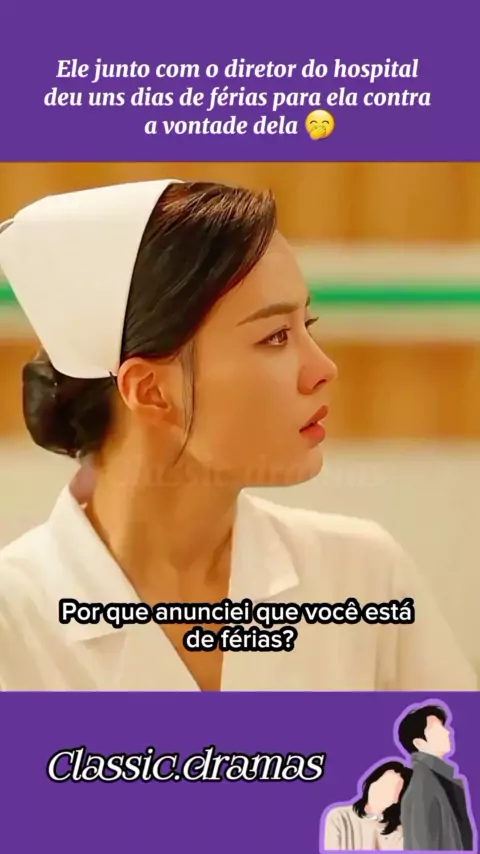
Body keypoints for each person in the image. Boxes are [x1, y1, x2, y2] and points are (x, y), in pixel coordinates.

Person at [0, 178, 476, 692]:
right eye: (276, 336)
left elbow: (445, 746)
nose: (323, 369)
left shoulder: (362, 580)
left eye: (308, 324)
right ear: (151, 391)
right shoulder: (15, 622)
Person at [397, 704, 475, 850]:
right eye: (437, 729)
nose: (448, 731)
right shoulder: (422, 785)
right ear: (419, 743)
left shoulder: (440, 779)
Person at [323, 760, 412, 850]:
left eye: (390, 788)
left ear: (398, 799)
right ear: (371, 783)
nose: (380, 789)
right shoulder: (339, 817)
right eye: (380, 782)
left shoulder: (401, 831)